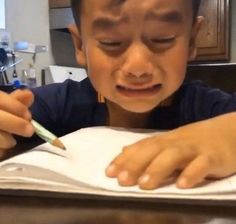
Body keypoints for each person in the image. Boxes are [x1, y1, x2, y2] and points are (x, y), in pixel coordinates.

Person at [1, 0, 236, 190]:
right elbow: (11, 118)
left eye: (163, 39)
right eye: (110, 42)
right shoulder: (58, 104)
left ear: (192, 40)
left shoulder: (208, 107)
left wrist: (228, 135)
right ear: (80, 46)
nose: (138, 67)